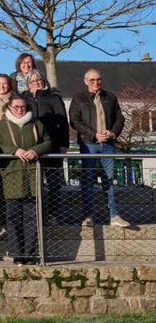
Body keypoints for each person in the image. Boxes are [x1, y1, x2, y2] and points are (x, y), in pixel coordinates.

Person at [0, 95, 52, 265]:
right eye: (16, 106)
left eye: (23, 107)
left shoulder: (35, 123)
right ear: (9, 107)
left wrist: (35, 150)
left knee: (32, 217)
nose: (20, 109)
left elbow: (48, 142)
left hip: (33, 175)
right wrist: (13, 150)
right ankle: (17, 253)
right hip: (12, 175)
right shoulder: (2, 125)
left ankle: (30, 253)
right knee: (13, 217)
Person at [69, 69, 130, 228]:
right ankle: (88, 216)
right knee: (87, 180)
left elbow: (120, 118)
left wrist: (113, 133)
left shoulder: (110, 97)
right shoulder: (78, 98)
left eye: (98, 80)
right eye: (92, 80)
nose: (96, 83)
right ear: (85, 81)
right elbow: (75, 121)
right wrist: (94, 134)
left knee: (108, 181)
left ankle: (114, 215)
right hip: (89, 144)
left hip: (108, 145)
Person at [23, 69, 69, 225]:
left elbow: (62, 123)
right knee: (34, 185)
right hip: (31, 147)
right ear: (28, 84)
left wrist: (64, 144)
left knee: (54, 183)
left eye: (39, 80)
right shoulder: (24, 99)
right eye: (33, 81)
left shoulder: (54, 99)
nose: (36, 83)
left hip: (52, 146)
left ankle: (53, 215)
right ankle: (36, 216)